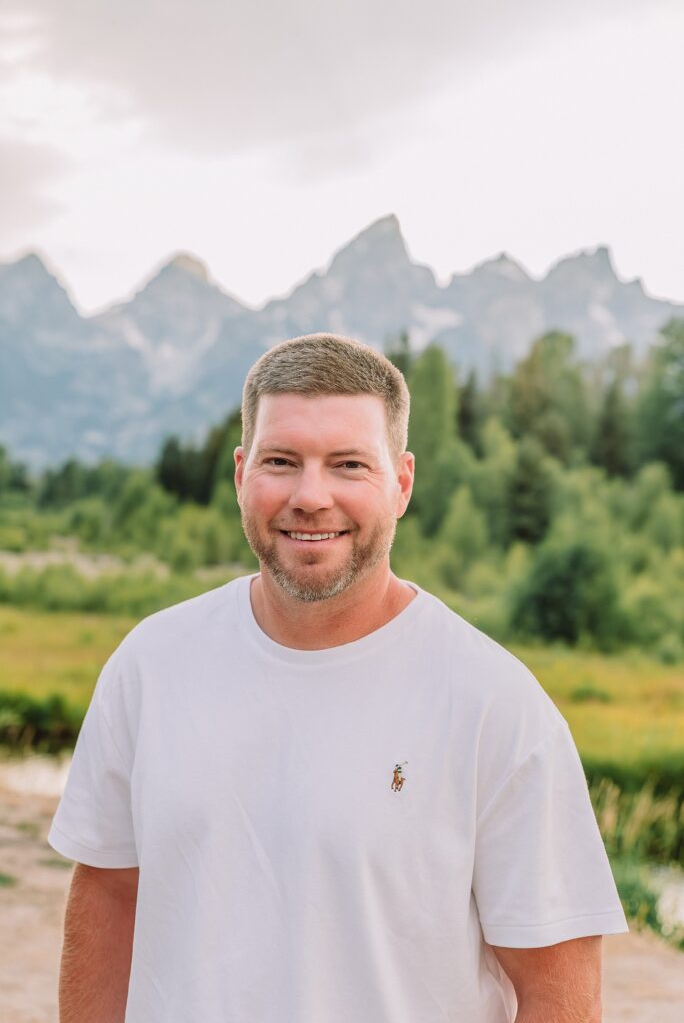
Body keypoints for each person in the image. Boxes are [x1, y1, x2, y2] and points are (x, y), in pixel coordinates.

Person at [49, 333, 628, 1023]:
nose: (310, 495)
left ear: (402, 483)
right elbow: (111, 891)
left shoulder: (494, 706)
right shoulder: (150, 664)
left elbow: (560, 994)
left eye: (349, 464)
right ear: (241, 474)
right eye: (281, 461)